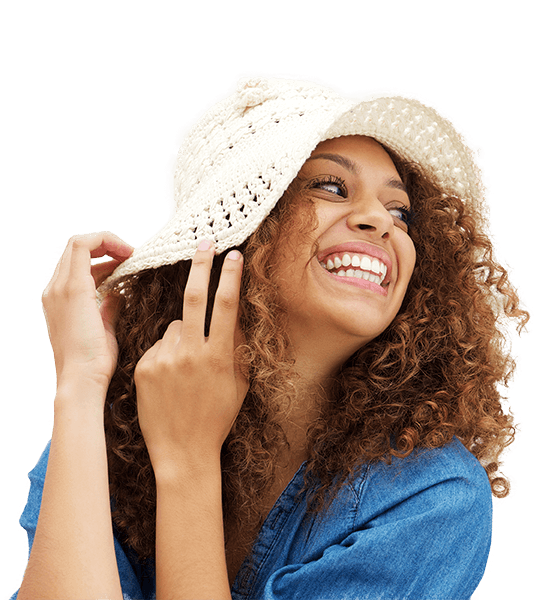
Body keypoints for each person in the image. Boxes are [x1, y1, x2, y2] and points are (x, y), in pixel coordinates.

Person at [13, 74, 530, 600]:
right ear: (243, 230)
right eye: (331, 187)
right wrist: (79, 382)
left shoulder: (432, 499)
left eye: (400, 212)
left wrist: (187, 463)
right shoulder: (111, 432)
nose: (381, 221)